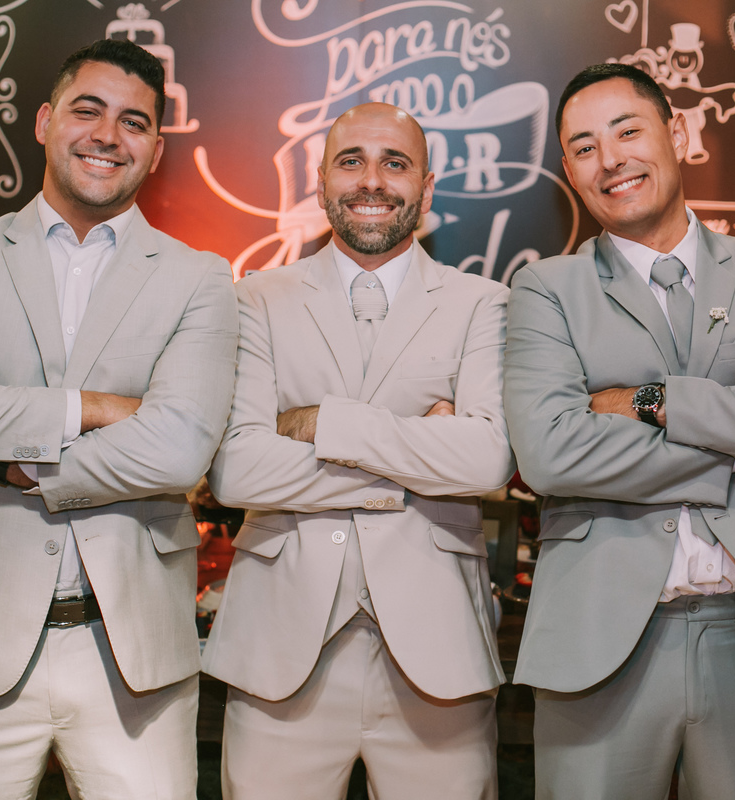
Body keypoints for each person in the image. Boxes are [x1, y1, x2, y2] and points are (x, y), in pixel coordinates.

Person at [503, 62, 735, 800]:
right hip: (596, 639)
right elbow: (550, 453)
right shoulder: (546, 289)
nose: (610, 160)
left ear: (676, 133)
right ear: (570, 172)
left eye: (627, 132)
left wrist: (654, 400)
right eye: (583, 147)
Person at [0, 39, 238, 798]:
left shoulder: (200, 278)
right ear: (45, 122)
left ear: (156, 150)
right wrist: (96, 410)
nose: (108, 135)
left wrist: (3, 451)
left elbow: (179, 448)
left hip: (133, 654)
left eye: (134, 122)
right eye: (88, 110)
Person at [203, 102, 514, 799]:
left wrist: (321, 423)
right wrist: (419, 457)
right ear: (320, 183)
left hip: (439, 656)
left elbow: (487, 460)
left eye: (394, 164)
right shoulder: (254, 299)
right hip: (279, 652)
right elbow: (237, 469)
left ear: (425, 190)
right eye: (352, 162)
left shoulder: (482, 303)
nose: (372, 180)